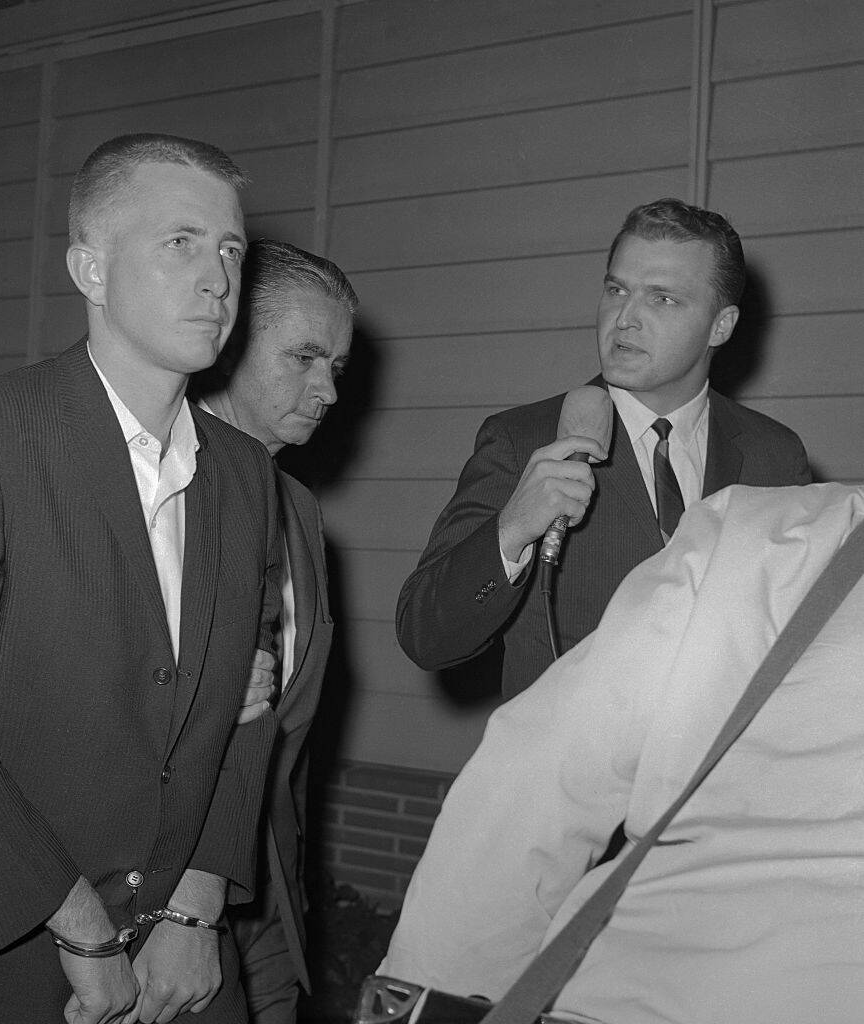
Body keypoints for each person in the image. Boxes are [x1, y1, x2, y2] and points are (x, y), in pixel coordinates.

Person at [0, 133, 281, 1024]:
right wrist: (79, 925)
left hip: (179, 962)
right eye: (180, 242)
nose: (217, 278)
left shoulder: (247, 473)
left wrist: (198, 901)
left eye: (231, 250)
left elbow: (248, 698)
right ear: (90, 269)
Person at [380, 479, 864, 1022]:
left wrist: (424, 1002)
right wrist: (511, 531)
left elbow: (533, 786)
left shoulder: (770, 489)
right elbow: (431, 634)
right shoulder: (772, 530)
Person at [397, 198, 811, 699]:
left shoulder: (775, 456)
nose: (625, 318)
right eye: (617, 290)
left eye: (662, 299)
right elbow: (425, 637)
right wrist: (511, 531)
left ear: (720, 325)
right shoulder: (523, 439)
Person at [194, 238, 355, 1024]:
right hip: (152, 902)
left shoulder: (300, 509)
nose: (328, 390)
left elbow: (289, 744)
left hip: (267, 903)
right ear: (227, 343)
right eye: (304, 357)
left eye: (338, 366)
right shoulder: (145, 484)